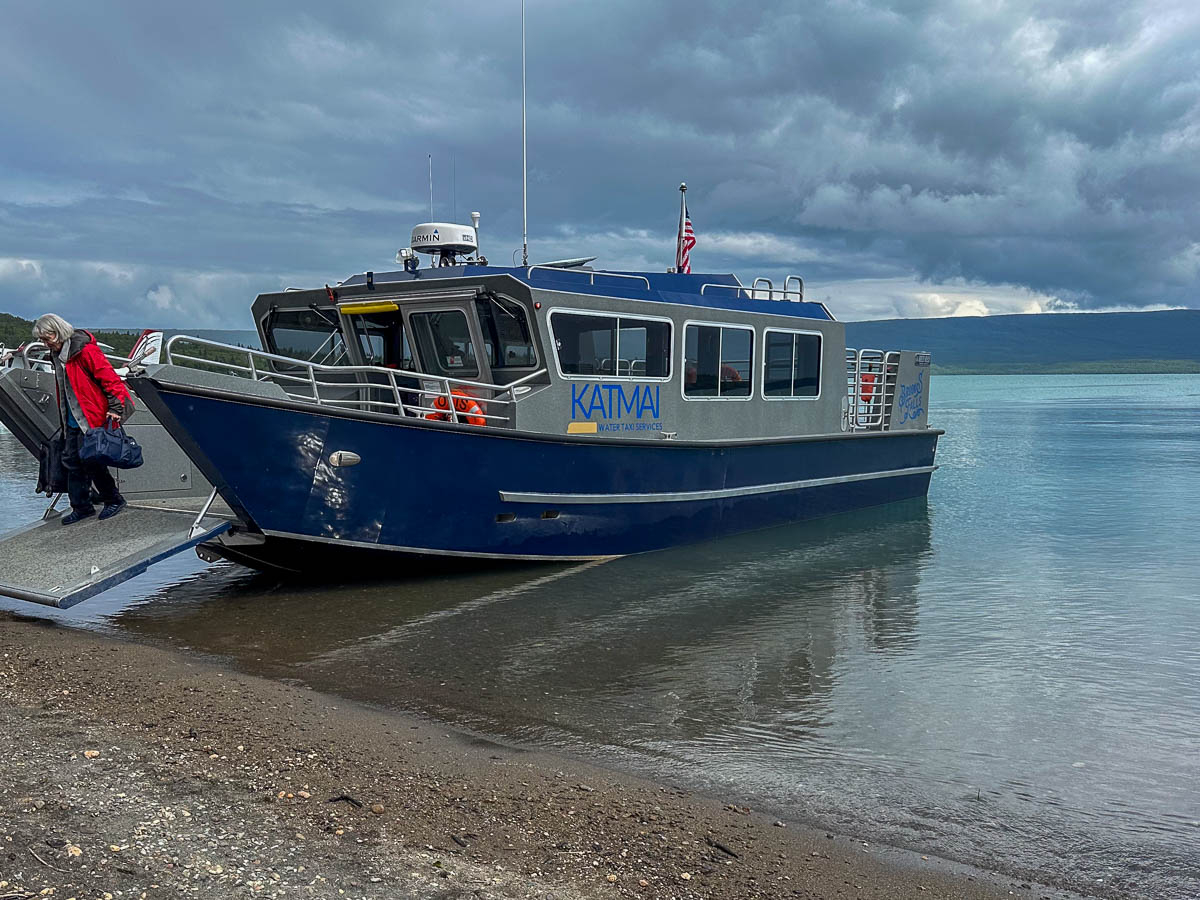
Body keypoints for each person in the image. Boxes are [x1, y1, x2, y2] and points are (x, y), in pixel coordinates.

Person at [33, 314, 134, 524]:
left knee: (92, 461)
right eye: (42, 339)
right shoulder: (57, 354)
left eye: (47, 337)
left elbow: (110, 379)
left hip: (90, 417)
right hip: (71, 418)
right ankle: (81, 506)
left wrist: (115, 408)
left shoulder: (86, 351)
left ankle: (113, 499)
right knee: (72, 461)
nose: (45, 342)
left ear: (58, 332)